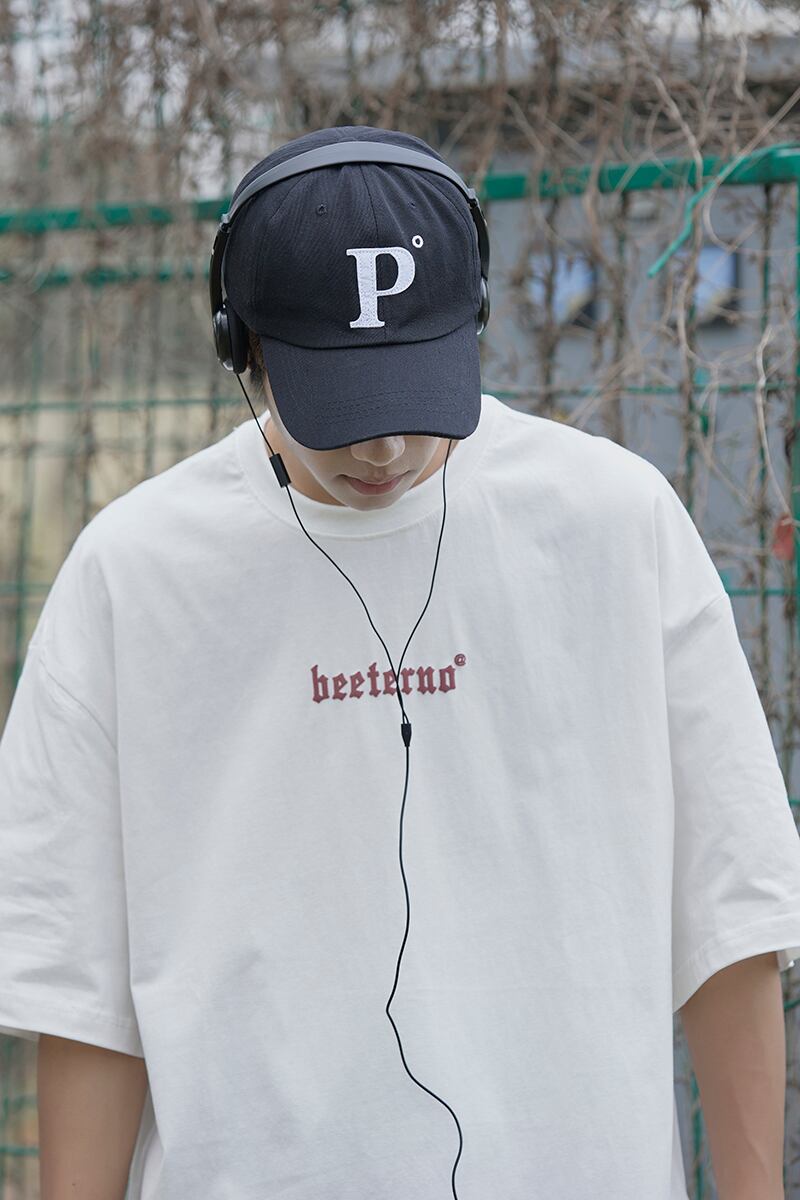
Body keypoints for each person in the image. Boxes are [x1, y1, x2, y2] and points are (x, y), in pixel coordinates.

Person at [1, 123, 799, 1200]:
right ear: (243, 346)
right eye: (340, 404)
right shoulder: (133, 573)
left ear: (471, 323)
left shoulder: (616, 523)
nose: (381, 448)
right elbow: (82, 992)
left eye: (412, 393)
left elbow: (729, 918)